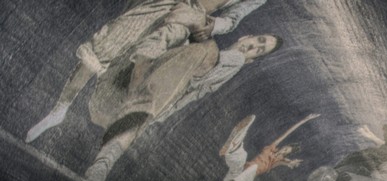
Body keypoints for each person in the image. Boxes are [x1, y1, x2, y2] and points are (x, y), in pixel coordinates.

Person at [26, 0, 269, 143]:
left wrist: (211, 25)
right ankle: (60, 109)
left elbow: (233, 18)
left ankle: (108, 132)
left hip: (187, 21)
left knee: (144, 70)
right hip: (164, 3)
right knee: (105, 44)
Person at [77, 33, 280, 181]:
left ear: (250, 61)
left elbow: (198, 77)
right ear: (247, 36)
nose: (253, 47)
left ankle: (101, 166)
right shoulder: (208, 50)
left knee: (135, 117)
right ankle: (102, 164)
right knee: (132, 117)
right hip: (153, 88)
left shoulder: (232, 60)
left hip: (162, 93)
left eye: (259, 51)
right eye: (259, 41)